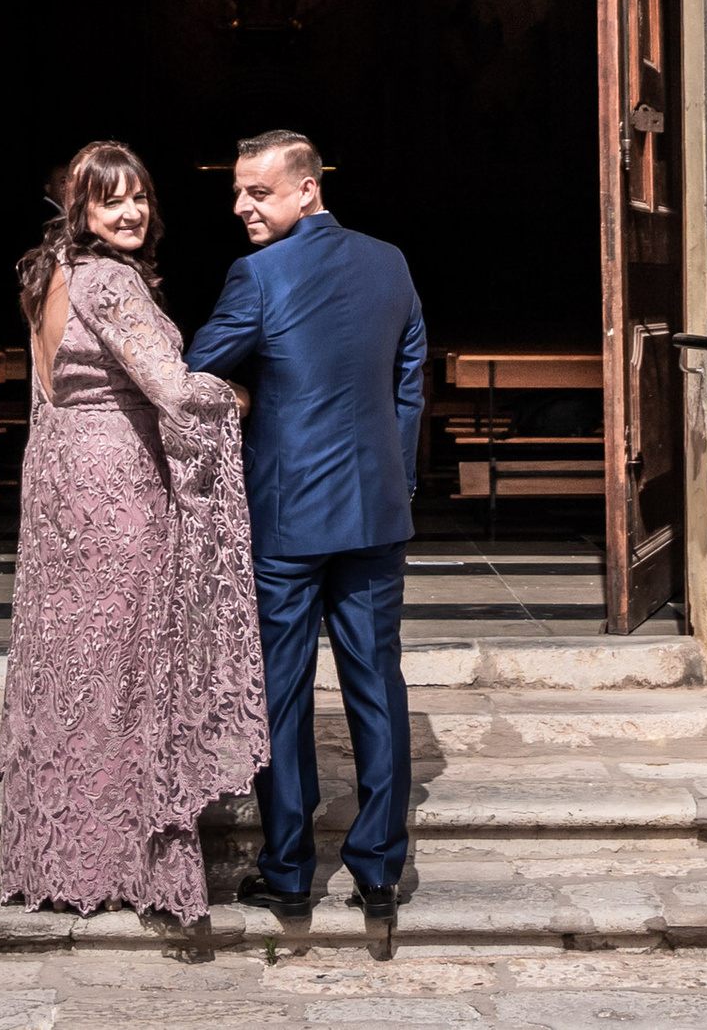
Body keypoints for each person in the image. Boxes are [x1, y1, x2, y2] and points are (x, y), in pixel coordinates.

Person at [0, 139, 269, 938]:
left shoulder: (50, 274)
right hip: (116, 484)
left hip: (58, 483)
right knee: (125, 664)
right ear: (79, 208)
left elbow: (49, 388)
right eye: (111, 199)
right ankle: (125, 857)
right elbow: (174, 391)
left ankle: (62, 855)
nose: (131, 211)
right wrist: (246, 396)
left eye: (140, 196)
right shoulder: (111, 279)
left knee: (73, 664)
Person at [186, 129, 427, 936]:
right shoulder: (391, 261)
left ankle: (289, 871)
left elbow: (196, 370)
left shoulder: (257, 275)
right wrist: (397, 479)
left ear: (306, 190)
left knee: (282, 695)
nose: (241, 206)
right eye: (237, 191)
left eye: (257, 191)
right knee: (377, 685)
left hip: (287, 520)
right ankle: (380, 871)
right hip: (374, 511)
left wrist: (246, 399)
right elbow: (408, 382)